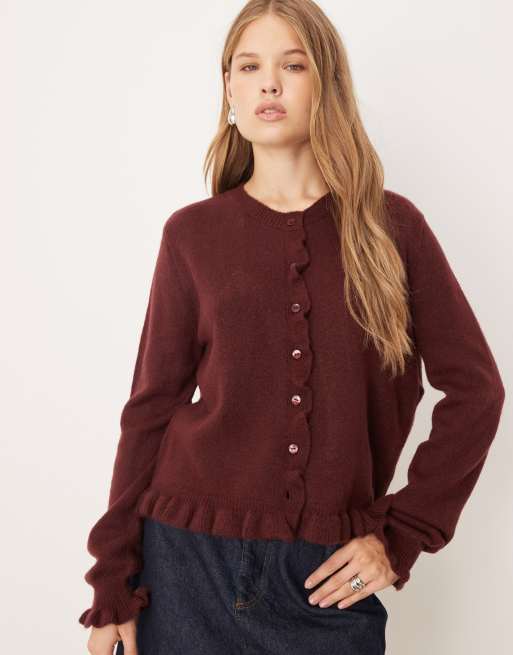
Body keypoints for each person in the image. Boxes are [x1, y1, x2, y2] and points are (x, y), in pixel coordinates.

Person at [78, 1, 505, 654]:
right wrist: (113, 579)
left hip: (327, 579)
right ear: (229, 89)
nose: (269, 84)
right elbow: (151, 409)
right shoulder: (192, 235)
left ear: (326, 84)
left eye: (293, 65)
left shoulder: (391, 228)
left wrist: (401, 534)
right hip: (186, 567)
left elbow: (476, 391)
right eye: (249, 67)